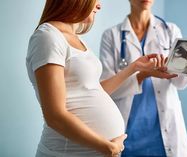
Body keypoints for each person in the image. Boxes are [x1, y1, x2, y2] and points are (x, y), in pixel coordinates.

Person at [26, 0, 163, 156]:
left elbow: (95, 90)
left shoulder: (75, 39)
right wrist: (107, 147)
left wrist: (134, 67)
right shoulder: (48, 37)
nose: (99, 5)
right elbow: (55, 115)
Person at [99, 0, 187, 157]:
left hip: (163, 137)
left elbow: (179, 83)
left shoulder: (170, 30)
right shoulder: (112, 36)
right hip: (127, 136)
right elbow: (108, 91)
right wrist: (144, 74)